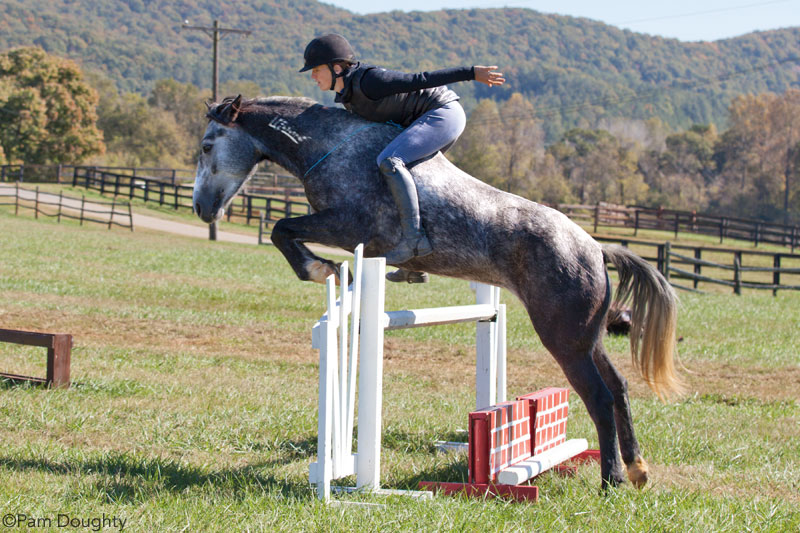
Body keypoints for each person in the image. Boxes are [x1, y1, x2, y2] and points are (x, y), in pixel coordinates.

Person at [300, 33, 505, 283]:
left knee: (390, 162)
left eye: (316, 69)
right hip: (420, 122)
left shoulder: (370, 81)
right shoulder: (349, 96)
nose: (312, 75)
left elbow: (422, 79)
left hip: (442, 113)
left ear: (337, 67)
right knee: (386, 179)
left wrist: (471, 72)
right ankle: (414, 265)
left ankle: (414, 241)